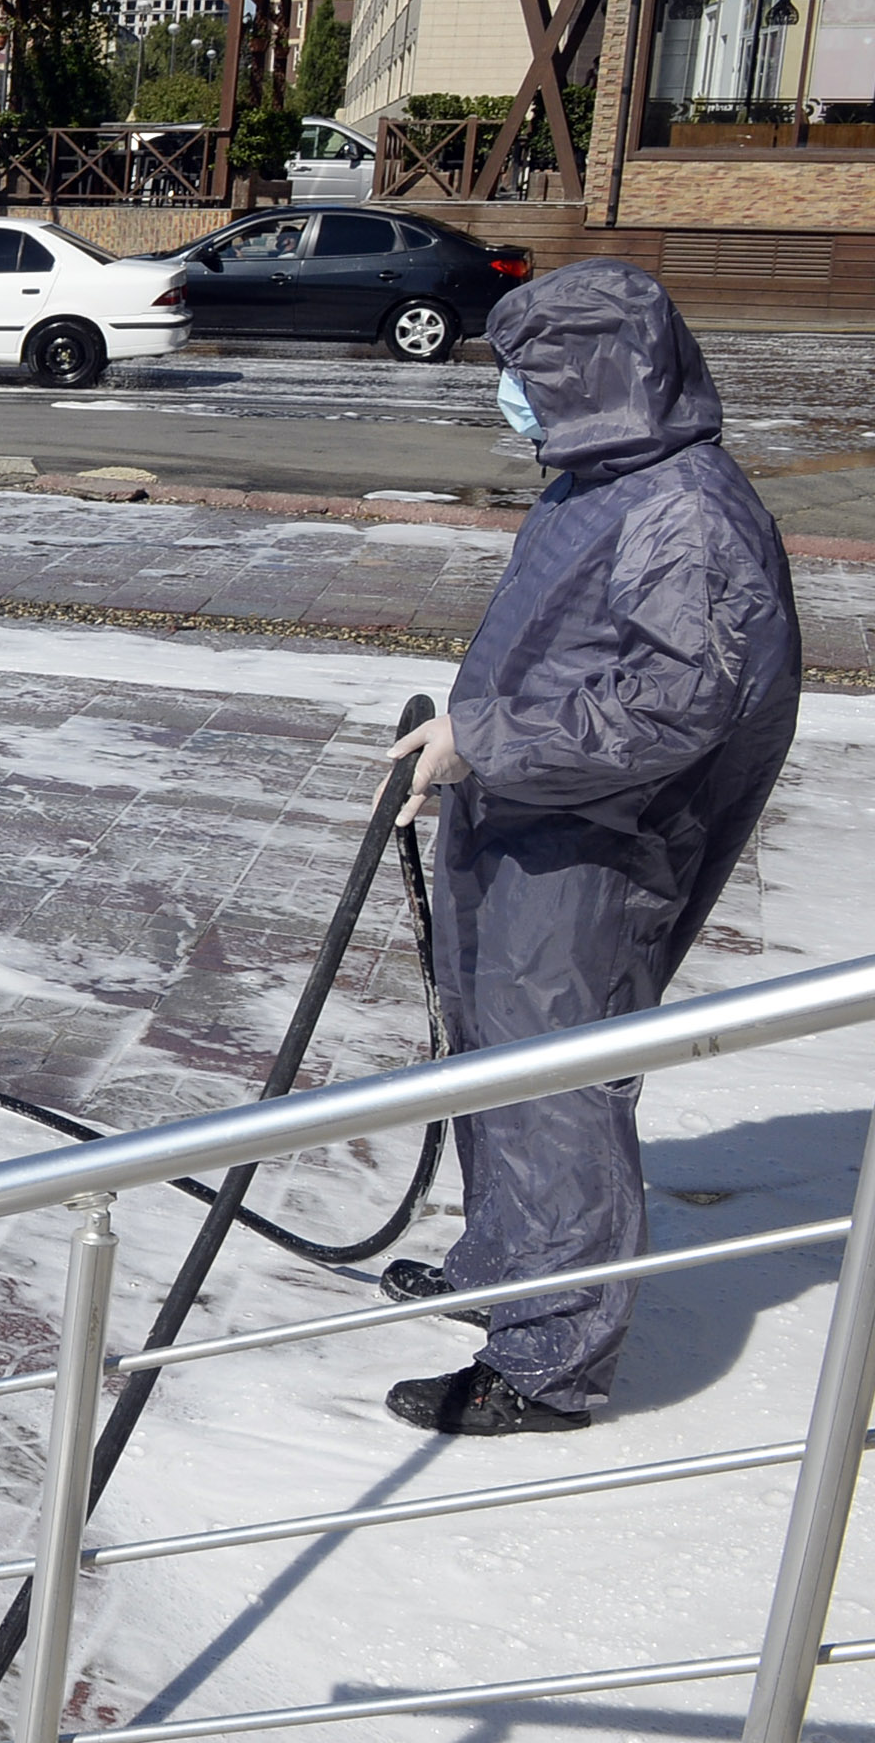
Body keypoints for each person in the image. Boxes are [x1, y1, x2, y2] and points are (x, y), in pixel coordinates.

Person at [381, 260, 801, 1435]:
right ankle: (506, 1268)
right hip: (528, 816)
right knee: (493, 1057)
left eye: (528, 374)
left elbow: (674, 709)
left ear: (597, 372)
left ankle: (553, 1363)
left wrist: (493, 741)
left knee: (553, 1080)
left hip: (599, 845)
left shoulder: (686, 512)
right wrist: (470, 740)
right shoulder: (601, 478)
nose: (510, 395)